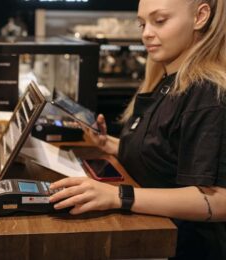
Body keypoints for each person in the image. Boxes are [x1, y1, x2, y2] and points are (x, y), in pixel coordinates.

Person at [49, 0, 226, 258]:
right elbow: (165, 156)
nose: (146, 33)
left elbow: (218, 200)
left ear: (200, 16)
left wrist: (119, 196)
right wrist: (108, 144)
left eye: (160, 21)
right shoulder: (164, 80)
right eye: (142, 24)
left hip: (182, 246)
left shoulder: (208, 94)